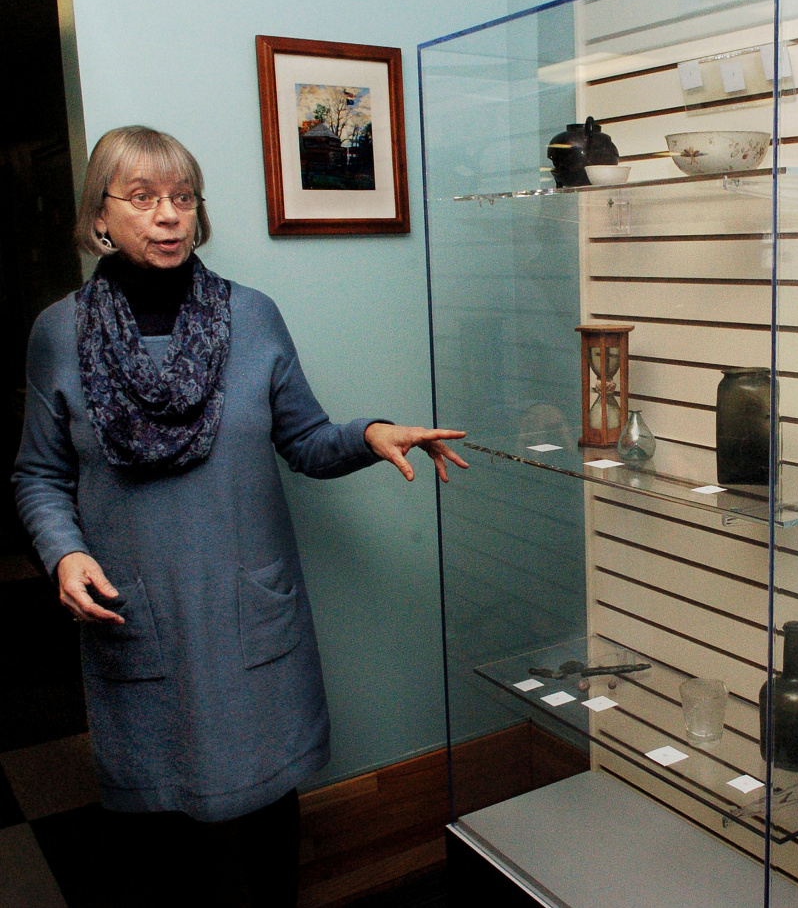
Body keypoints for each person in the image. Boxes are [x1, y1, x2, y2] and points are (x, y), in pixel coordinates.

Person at [11, 125, 467, 907]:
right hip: (140, 617)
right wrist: (63, 553)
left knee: (266, 843)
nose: (169, 216)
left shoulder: (251, 317)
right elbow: (39, 474)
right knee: (158, 847)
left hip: (247, 616)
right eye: (145, 197)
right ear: (100, 218)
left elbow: (307, 441)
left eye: (183, 198)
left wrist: (368, 434)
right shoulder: (59, 333)